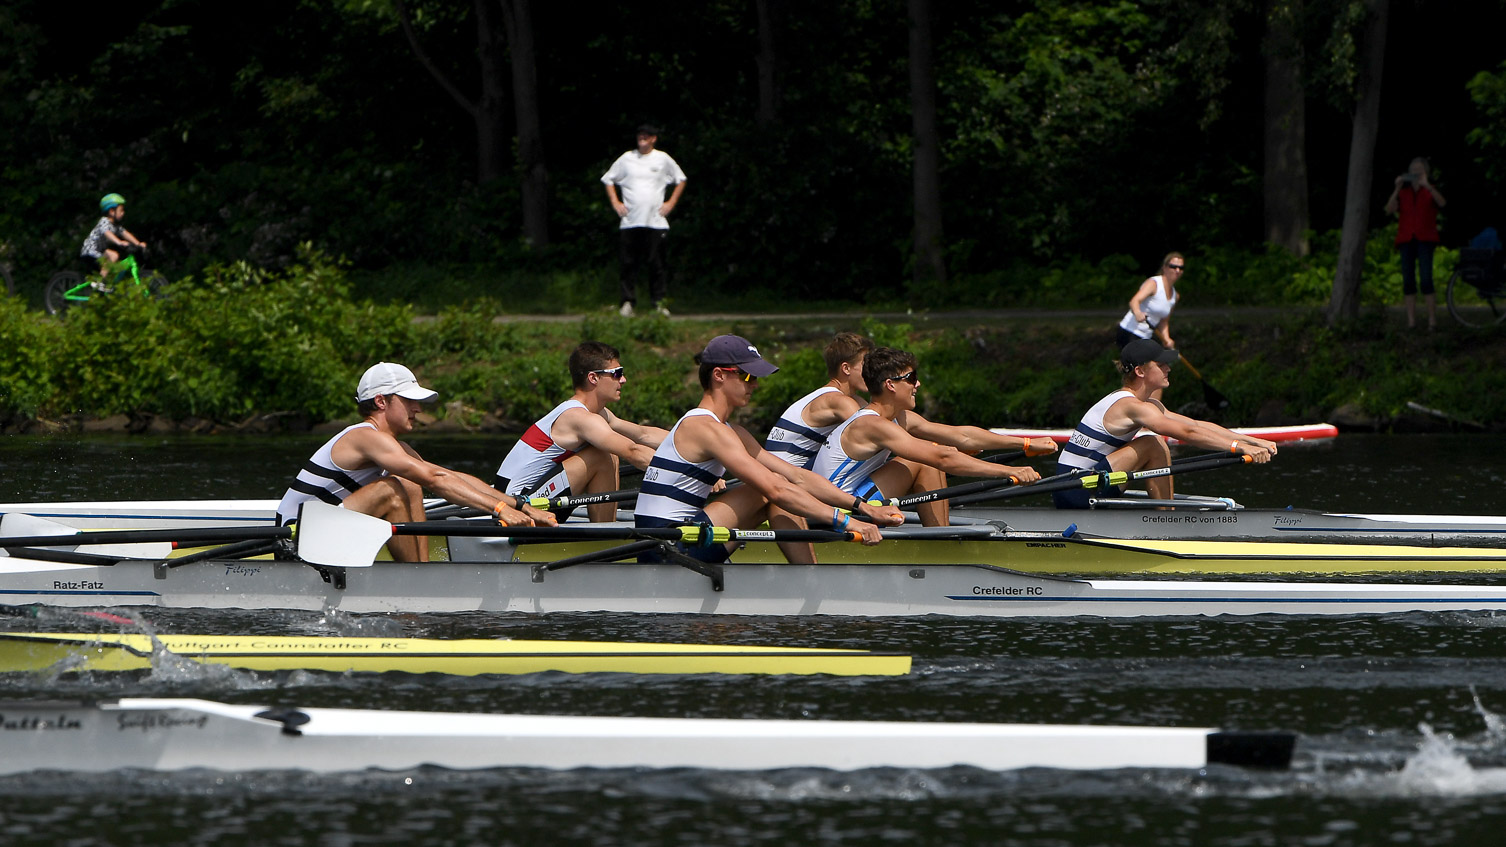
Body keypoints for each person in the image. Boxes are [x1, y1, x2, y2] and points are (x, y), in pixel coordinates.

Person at [634, 335, 904, 564]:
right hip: (664, 547)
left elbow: (797, 476)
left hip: (682, 538)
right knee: (770, 492)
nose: (755, 385)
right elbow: (776, 489)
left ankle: (810, 577)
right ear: (718, 375)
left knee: (781, 483)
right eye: (748, 376)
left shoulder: (732, 431)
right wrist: (849, 523)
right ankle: (812, 581)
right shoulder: (705, 427)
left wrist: (863, 507)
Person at [275, 362, 555, 561]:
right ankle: (417, 578)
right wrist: (499, 509)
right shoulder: (364, 437)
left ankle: (421, 573)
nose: (418, 409)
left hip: (324, 530)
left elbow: (445, 476)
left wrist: (521, 506)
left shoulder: (394, 447)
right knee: (392, 489)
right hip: (295, 537)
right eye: (408, 400)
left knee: (410, 481)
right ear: (381, 401)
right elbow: (436, 480)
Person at [809, 346, 1054, 527]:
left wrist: (1025, 444)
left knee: (931, 452)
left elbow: (962, 436)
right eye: (911, 379)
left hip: (849, 499)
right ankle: (941, 542)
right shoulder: (871, 425)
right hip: (836, 511)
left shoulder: (897, 417)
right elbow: (942, 457)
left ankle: (939, 534)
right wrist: (1009, 472)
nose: (918, 384)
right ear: (890, 385)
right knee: (925, 458)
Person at [1052, 339, 1277, 509]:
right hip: (1074, 489)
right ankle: (1166, 517)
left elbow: (1195, 424)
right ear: (1140, 371)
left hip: (1090, 482)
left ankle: (1165, 513)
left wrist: (1252, 440)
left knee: (1154, 443)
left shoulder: (1147, 404)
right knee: (1153, 443)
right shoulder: (1129, 405)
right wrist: (1240, 448)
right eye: (1161, 365)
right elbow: (1187, 433)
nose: (1168, 368)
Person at [493, 341, 669, 523]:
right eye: (616, 374)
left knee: (609, 455)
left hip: (530, 496)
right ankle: (605, 534)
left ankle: (607, 527)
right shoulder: (579, 417)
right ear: (593, 378)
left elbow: (642, 434)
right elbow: (633, 451)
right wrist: (676, 470)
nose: (623, 379)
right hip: (515, 503)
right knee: (602, 454)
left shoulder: (598, 414)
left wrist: (689, 447)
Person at [602, 125, 687, 318]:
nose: (642, 138)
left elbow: (680, 179)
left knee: (656, 263)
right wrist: (616, 202)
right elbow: (608, 179)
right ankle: (627, 303)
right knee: (628, 263)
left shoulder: (662, 159)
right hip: (630, 220)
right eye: (640, 135)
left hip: (656, 221)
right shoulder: (627, 158)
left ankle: (658, 303)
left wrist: (671, 203)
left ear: (653, 139)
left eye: (646, 136)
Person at [1385, 157, 1447, 330]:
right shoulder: (1403, 193)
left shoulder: (1430, 191)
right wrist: (1397, 188)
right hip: (1406, 239)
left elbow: (1442, 203)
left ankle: (1432, 320)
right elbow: (1389, 210)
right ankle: (1411, 321)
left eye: (1419, 170)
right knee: (1408, 280)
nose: (1416, 173)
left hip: (1425, 239)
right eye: (1413, 170)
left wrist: (1427, 185)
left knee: (1426, 279)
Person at [1117, 253, 1184, 350]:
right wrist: (1137, 313)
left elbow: (1163, 321)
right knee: (1147, 365)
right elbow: (1134, 301)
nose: (1177, 270)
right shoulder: (1154, 284)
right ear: (1164, 268)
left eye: (1181, 268)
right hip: (1129, 332)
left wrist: (1167, 338)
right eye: (1173, 267)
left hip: (1145, 337)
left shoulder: (1175, 296)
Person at [80, 194, 148, 286]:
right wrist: (119, 242)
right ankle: (100, 283)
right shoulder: (104, 221)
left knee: (114, 258)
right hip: (90, 250)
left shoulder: (116, 226)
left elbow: (125, 233)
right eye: (121, 210)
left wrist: (138, 243)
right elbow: (107, 233)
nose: (123, 213)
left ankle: (105, 282)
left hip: (100, 250)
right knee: (113, 256)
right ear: (112, 211)